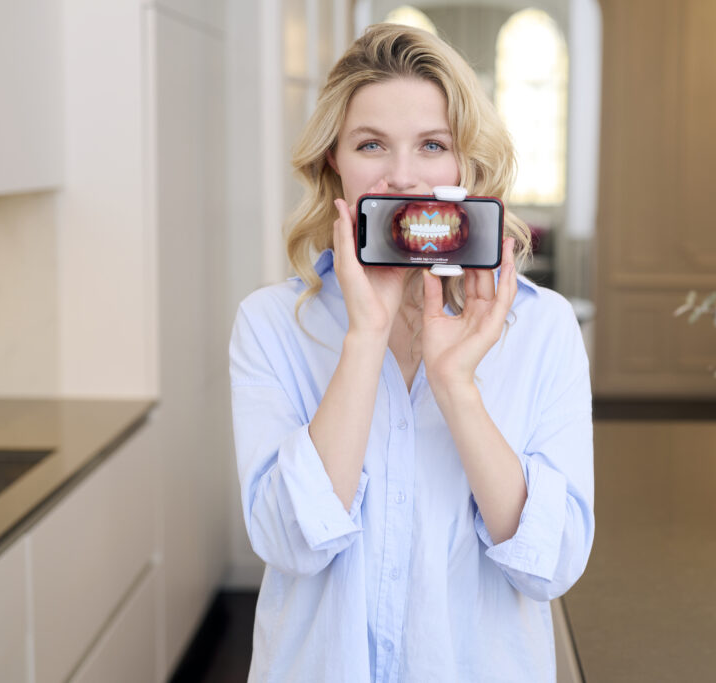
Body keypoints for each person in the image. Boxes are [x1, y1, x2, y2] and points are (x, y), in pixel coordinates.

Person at [229, 23, 594, 682]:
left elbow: (552, 565)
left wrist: (456, 386)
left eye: (432, 145)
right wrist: (364, 340)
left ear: (464, 163)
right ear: (335, 161)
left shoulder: (542, 328)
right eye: (371, 144)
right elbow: (289, 542)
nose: (402, 176)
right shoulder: (272, 325)